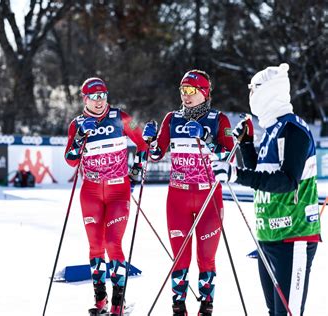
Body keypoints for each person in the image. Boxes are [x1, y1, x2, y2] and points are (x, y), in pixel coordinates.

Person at [211, 63, 321, 315]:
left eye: (254, 89)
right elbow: (261, 175)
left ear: (269, 91)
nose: (251, 96)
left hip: (293, 236)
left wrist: (235, 174)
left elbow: (286, 181)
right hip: (267, 236)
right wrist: (247, 144)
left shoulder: (293, 131)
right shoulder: (272, 129)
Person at [142, 70, 234, 316]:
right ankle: (178, 307)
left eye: (191, 90)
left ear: (204, 92)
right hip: (178, 198)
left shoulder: (219, 119)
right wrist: (149, 141)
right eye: (183, 90)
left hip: (208, 197)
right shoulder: (172, 119)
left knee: (206, 258)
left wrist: (206, 137)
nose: (186, 95)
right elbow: (155, 154)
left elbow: (229, 156)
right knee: (180, 257)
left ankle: (206, 307)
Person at [64, 77, 148, 315]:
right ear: (85, 99)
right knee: (96, 246)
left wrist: (135, 172)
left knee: (113, 243)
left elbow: (143, 145)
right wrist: (80, 137)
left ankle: (117, 304)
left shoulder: (121, 118)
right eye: (94, 97)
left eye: (103, 96)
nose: (99, 101)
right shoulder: (76, 124)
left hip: (117, 191)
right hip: (90, 192)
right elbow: (70, 160)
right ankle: (100, 300)